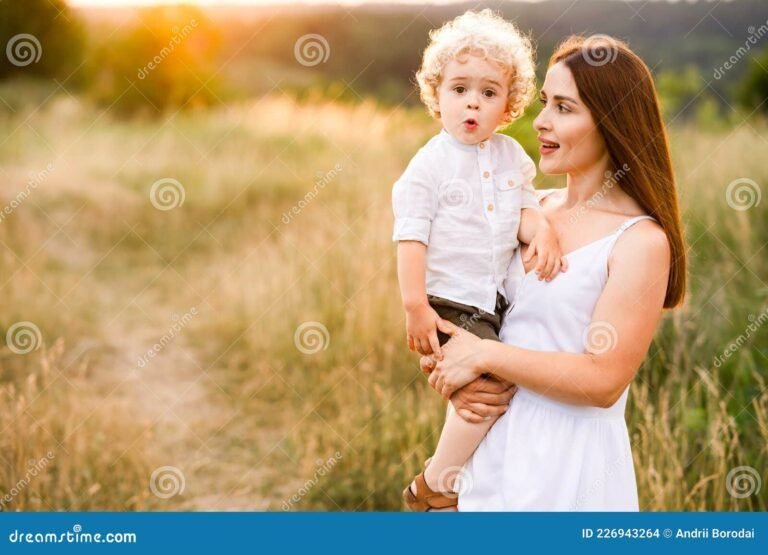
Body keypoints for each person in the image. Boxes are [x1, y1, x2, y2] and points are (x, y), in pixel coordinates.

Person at [419, 34, 687, 511]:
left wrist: (486, 357)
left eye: (564, 108)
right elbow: (474, 311)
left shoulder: (639, 242)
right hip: (488, 466)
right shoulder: (526, 209)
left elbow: (603, 381)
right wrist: (449, 362)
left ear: (611, 122)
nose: (540, 121)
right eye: (545, 102)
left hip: (568, 477)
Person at [391, 10, 566, 511]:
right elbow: (410, 238)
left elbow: (524, 212)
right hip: (448, 300)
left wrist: (544, 229)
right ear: (436, 95)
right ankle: (436, 486)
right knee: (491, 385)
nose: (473, 101)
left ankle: (457, 483)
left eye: (489, 93)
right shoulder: (429, 164)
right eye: (459, 89)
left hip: (493, 301)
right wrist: (414, 307)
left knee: (493, 385)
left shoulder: (512, 156)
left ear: (507, 106)